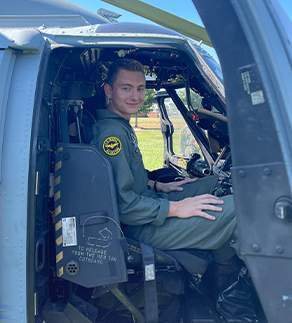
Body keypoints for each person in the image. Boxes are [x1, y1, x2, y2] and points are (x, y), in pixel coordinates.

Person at [91, 58, 237, 263]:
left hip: (148, 204)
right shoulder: (112, 136)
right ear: (108, 91)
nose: (136, 96)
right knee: (239, 210)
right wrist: (178, 208)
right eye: (126, 88)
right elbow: (123, 207)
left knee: (216, 182)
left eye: (140, 89)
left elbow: (119, 180)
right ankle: (235, 289)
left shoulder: (119, 125)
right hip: (140, 227)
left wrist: (157, 185)